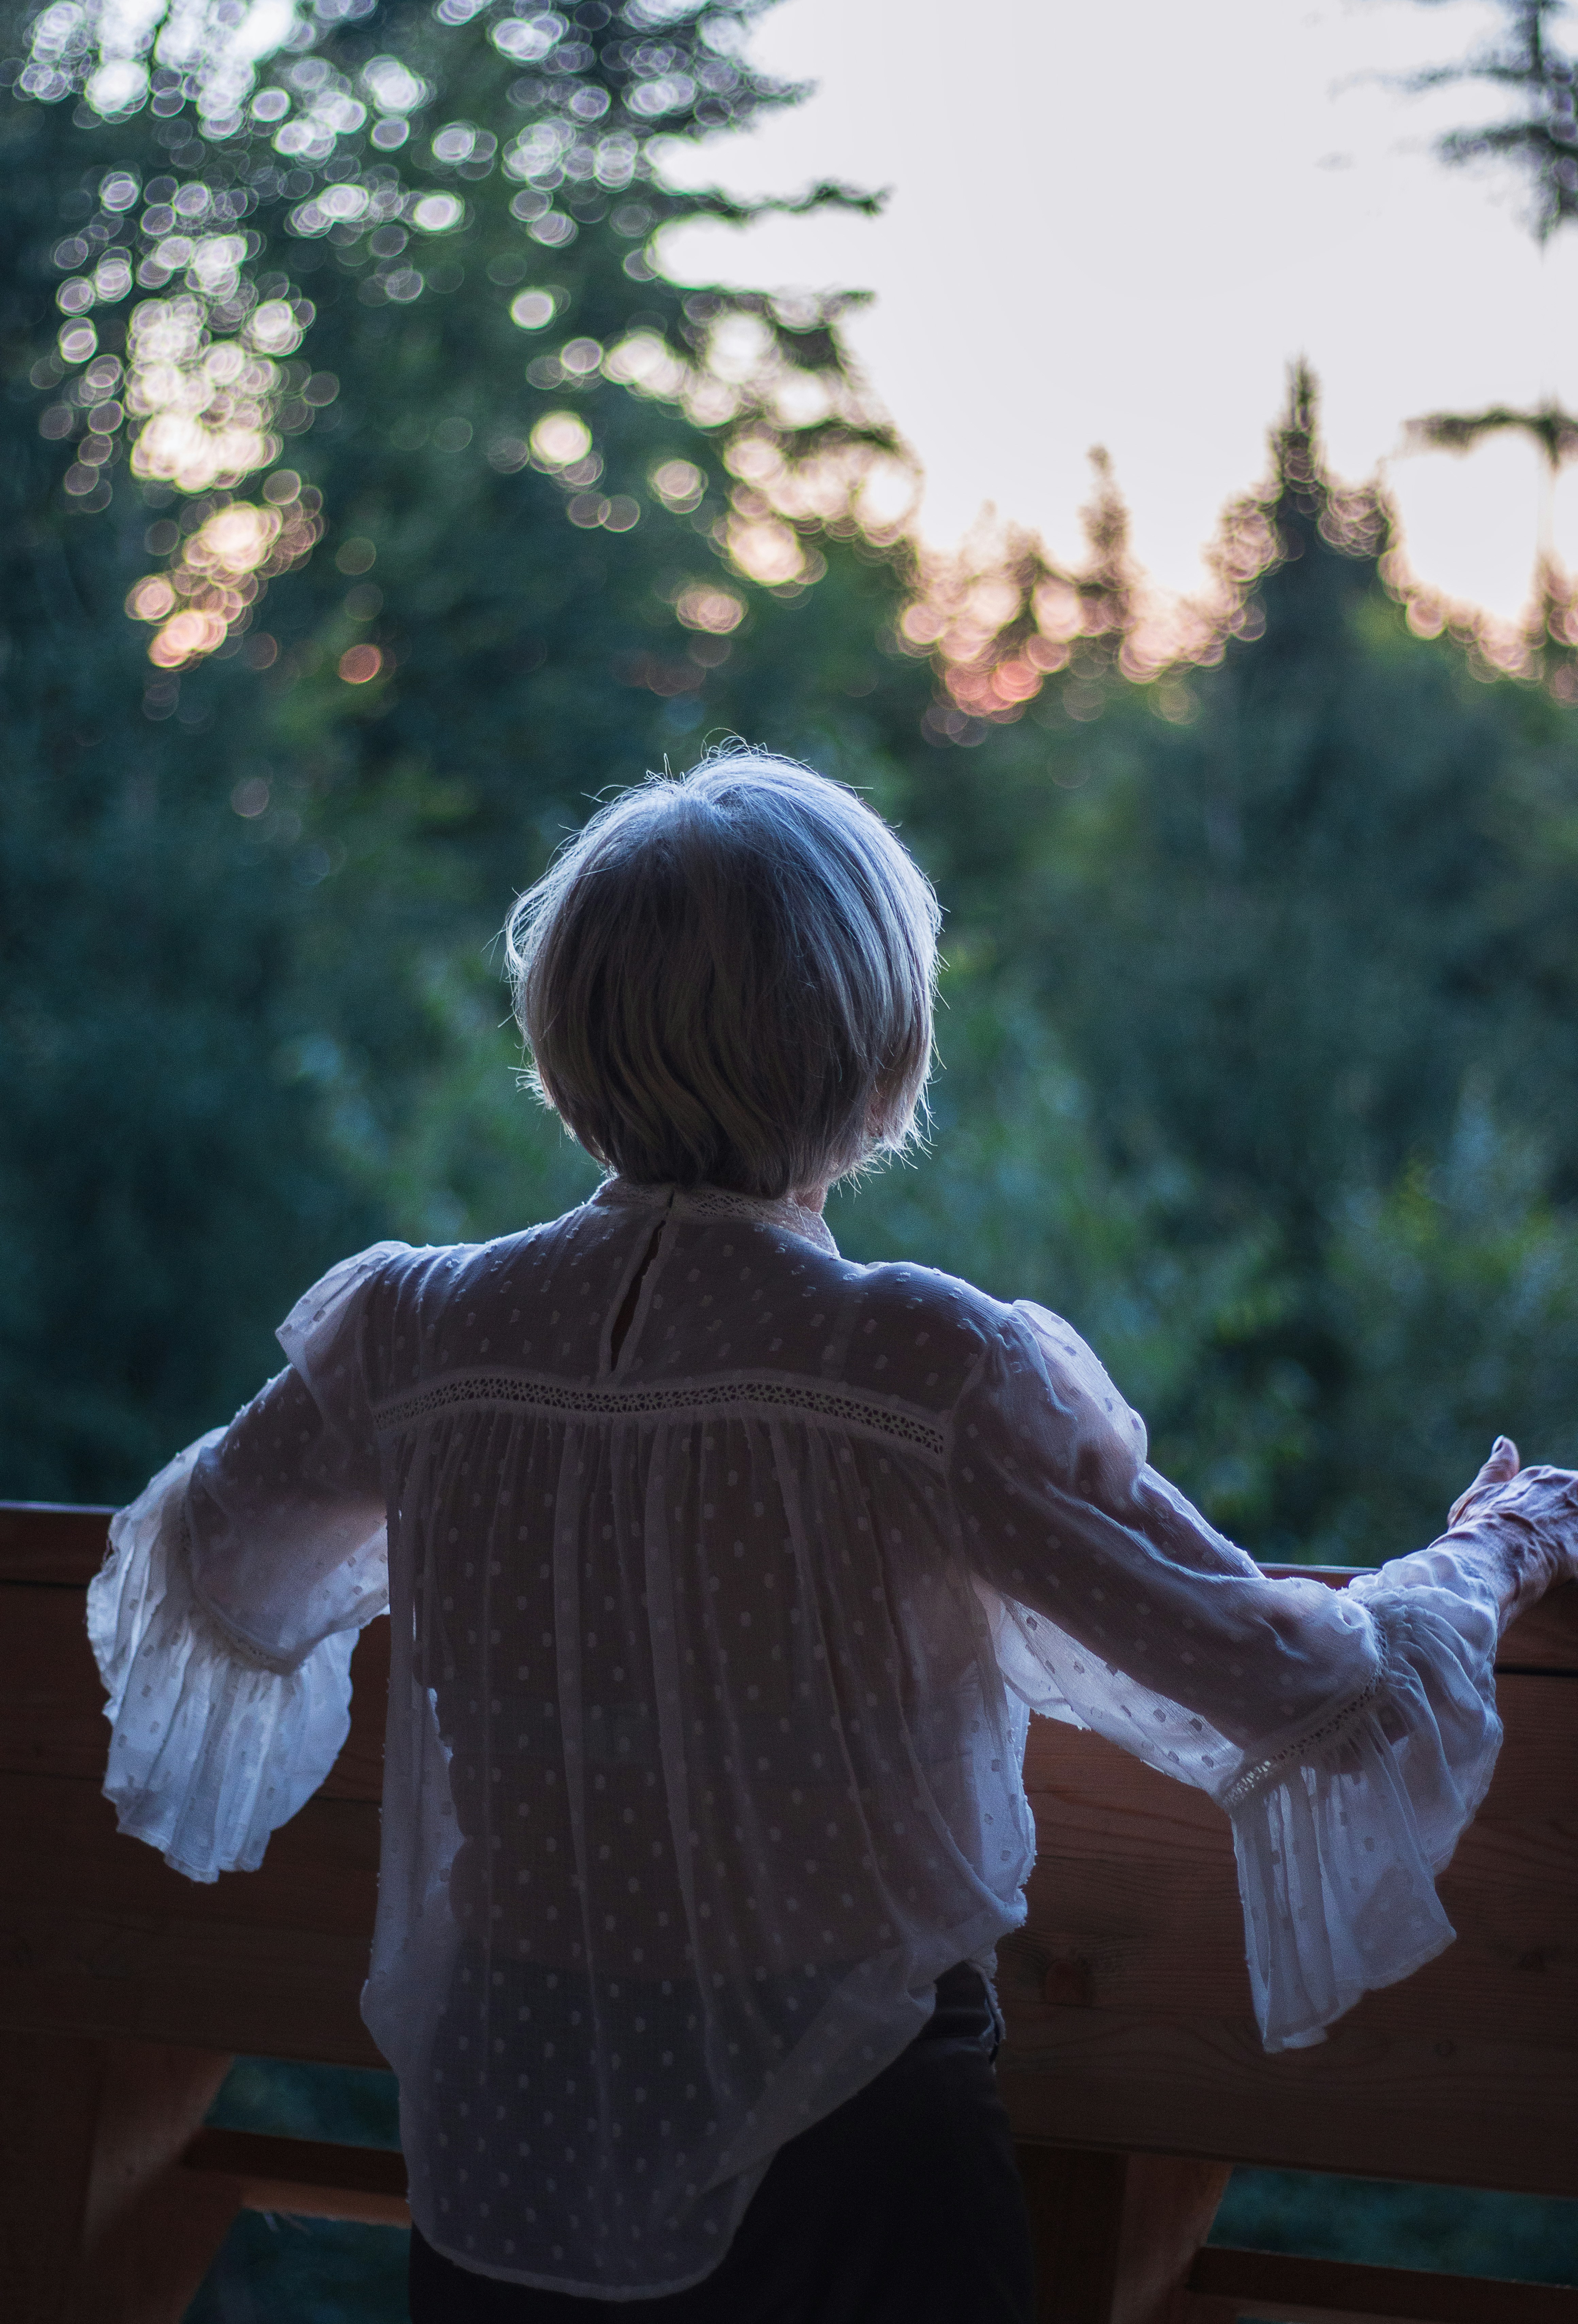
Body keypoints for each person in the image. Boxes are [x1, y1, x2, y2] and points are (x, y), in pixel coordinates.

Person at [88, 749, 1578, 2324]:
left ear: (564, 1037)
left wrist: (496, 1527)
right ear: (879, 1061)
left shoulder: (418, 1333)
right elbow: (1283, 1677)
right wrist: (1490, 1550)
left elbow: (204, 1574)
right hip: (846, 2141)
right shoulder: (916, 1367)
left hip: (511, 2132)